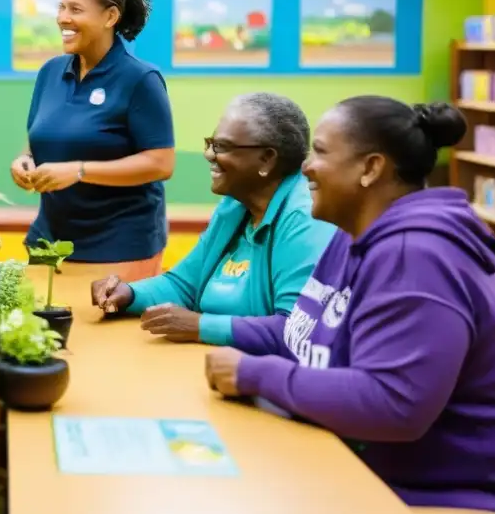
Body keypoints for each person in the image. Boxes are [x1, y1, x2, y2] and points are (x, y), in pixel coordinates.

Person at [206, 96, 495, 513]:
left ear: (371, 168)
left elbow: (394, 403)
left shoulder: (414, 259)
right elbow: (303, 331)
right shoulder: (350, 235)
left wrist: (255, 374)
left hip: (436, 499)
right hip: (356, 464)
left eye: (322, 153)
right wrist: (205, 330)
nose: (306, 167)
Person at [91, 92, 335, 345]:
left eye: (222, 147)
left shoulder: (305, 219)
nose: (209, 155)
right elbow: (185, 285)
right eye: (210, 143)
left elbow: (299, 329)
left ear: (267, 158)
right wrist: (129, 294)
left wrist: (200, 326)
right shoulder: (234, 206)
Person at [10, 0, 174, 281]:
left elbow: (161, 163)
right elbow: (38, 138)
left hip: (119, 249)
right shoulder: (50, 72)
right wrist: (25, 161)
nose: (62, 18)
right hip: (48, 243)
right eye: (61, 7)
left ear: (110, 17)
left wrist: (79, 171)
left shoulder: (141, 79)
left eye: (75, 9)